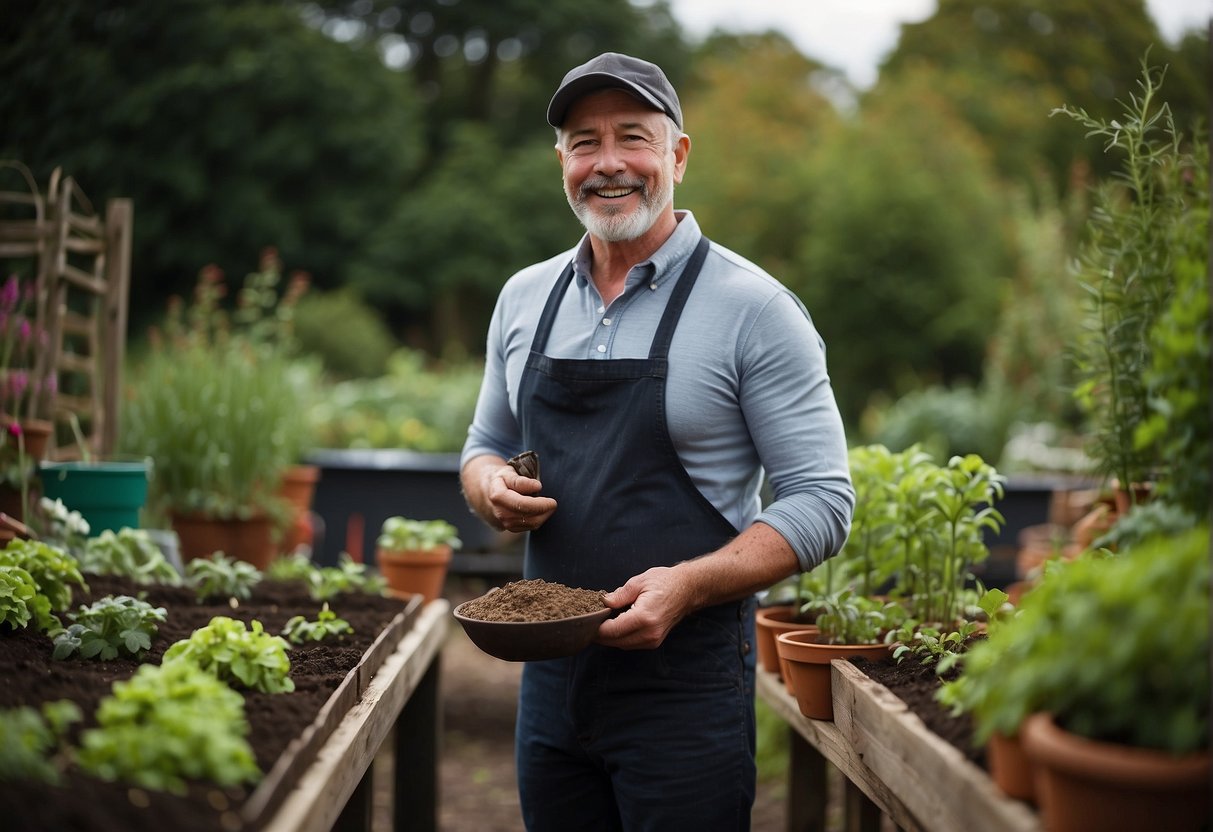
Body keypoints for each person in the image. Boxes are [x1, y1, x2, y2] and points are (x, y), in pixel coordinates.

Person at [459, 51, 854, 831]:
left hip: (685, 690)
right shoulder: (524, 297)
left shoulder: (753, 309)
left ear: (677, 155)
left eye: (632, 138)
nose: (608, 163)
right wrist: (488, 487)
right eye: (584, 142)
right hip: (548, 681)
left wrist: (690, 584)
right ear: (562, 163)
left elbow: (821, 500)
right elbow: (483, 443)